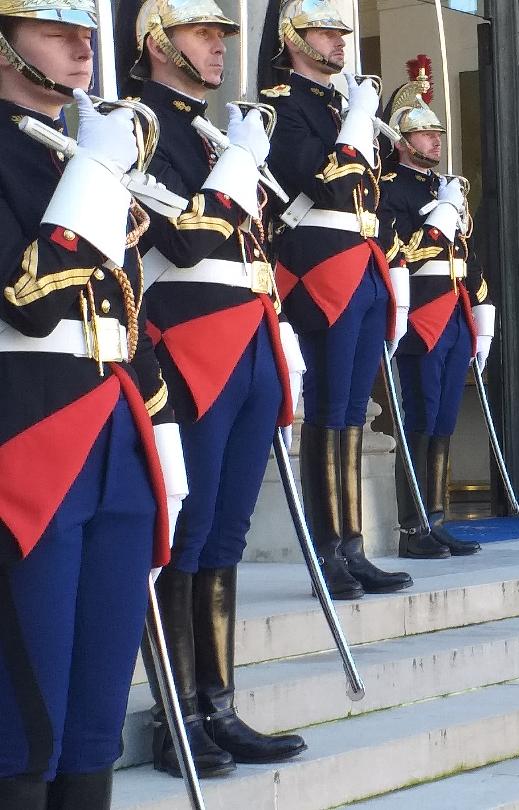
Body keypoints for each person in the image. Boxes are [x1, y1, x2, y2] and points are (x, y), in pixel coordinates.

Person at [114, 0, 307, 778]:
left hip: (250, 340)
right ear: (158, 42)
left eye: (223, 34)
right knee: (187, 535)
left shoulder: (213, 132)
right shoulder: (137, 127)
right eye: (202, 33)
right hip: (190, 345)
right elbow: (185, 239)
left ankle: (218, 706)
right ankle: (178, 717)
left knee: (227, 535)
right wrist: (236, 165)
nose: (219, 47)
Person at [0, 4, 184, 807]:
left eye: (85, 31)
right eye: (55, 31)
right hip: (29, 433)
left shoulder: (77, 152)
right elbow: (29, 300)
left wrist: (161, 431)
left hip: (115, 430)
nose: (82, 46)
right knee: (26, 713)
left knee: (97, 709)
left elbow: (126, 314)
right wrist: (93, 176)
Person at [257, 0, 412, 598]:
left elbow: (372, 194)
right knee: (326, 409)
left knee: (352, 409)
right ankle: (328, 551)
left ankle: (353, 545)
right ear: (294, 38)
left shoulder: (340, 105)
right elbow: (322, 180)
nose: (339, 41)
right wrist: (357, 122)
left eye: (339, 31)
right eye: (324, 31)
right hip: (320, 264)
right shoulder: (280, 104)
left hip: (363, 261)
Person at [378, 58, 494, 559]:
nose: (436, 141)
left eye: (438, 134)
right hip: (420, 315)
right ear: (403, 141)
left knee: (445, 419)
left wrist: (484, 310)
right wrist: (440, 217)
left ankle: (437, 517)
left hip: (455, 314)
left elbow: (467, 255)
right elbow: (397, 252)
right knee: (421, 418)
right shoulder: (389, 189)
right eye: (426, 134)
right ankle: (412, 528)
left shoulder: (443, 187)